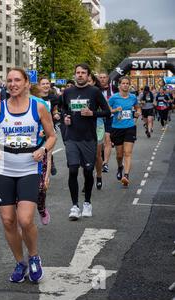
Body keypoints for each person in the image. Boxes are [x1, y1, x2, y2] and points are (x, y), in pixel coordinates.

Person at [0, 68, 56, 283]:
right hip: (3, 168)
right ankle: (19, 262)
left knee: (24, 219)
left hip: (28, 168)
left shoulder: (39, 108)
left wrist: (43, 150)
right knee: (8, 220)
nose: (12, 84)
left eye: (17, 80)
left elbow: (52, 136)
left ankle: (33, 256)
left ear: (26, 83)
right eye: (9, 80)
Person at [61, 64, 110, 221]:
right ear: (75, 74)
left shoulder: (94, 92)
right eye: (77, 72)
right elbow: (63, 109)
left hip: (88, 138)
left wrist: (92, 113)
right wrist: (65, 118)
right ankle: (75, 206)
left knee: (88, 172)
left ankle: (87, 202)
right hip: (72, 138)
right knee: (73, 170)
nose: (80, 75)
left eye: (83, 73)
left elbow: (107, 112)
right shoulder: (67, 92)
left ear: (88, 76)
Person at [109, 76, 141, 187]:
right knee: (119, 154)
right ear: (119, 85)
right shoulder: (114, 98)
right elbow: (107, 110)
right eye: (123, 83)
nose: (125, 85)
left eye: (127, 83)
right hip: (117, 128)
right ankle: (120, 167)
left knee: (128, 153)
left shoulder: (133, 97)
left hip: (130, 127)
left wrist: (137, 112)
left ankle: (126, 176)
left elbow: (138, 108)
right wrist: (115, 110)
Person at [30, 84, 53, 225]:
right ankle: (22, 219)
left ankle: (41, 208)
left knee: (40, 188)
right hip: (18, 152)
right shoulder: (9, 104)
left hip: (39, 149)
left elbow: (50, 131)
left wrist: (43, 133)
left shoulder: (41, 103)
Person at [38, 77, 58, 176]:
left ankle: (45, 178)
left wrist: (56, 114)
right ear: (39, 86)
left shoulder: (53, 98)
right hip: (38, 129)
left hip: (49, 127)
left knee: (48, 151)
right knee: (40, 150)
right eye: (43, 84)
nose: (46, 85)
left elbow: (54, 110)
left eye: (47, 83)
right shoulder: (34, 98)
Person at [98, 72, 114, 173]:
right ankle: (99, 159)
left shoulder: (113, 89)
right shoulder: (94, 90)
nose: (103, 79)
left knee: (107, 139)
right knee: (100, 142)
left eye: (104, 77)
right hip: (98, 118)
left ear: (108, 79)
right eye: (101, 78)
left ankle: (105, 163)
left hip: (109, 117)